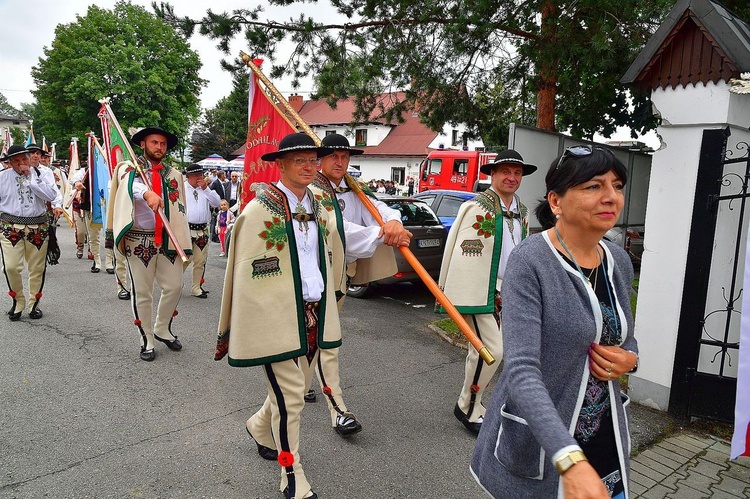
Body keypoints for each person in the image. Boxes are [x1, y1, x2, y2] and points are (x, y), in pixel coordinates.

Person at [471, 145, 639, 498]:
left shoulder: (618, 261)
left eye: (617, 185)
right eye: (594, 186)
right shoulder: (531, 261)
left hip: (602, 436)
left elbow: (622, 335)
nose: (611, 197)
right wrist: (568, 457)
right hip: (545, 441)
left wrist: (631, 359)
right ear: (556, 202)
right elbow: (521, 370)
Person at [215, 133, 340, 499]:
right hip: (276, 316)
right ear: (280, 164)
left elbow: (348, 239)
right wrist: (260, 315)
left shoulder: (319, 206)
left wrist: (388, 229)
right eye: (298, 159)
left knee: (293, 390)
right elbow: (246, 273)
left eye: (312, 160)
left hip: (313, 314)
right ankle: (292, 473)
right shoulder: (258, 212)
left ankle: (258, 426)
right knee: (292, 398)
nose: (308, 166)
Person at [308, 132, 412, 436]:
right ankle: (338, 408)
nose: (340, 162)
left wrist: (393, 223)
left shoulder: (355, 188)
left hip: (340, 275)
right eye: (333, 156)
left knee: (314, 336)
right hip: (315, 274)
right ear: (320, 160)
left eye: (344, 156)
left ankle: (299, 385)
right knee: (327, 339)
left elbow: (379, 210)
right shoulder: (313, 192)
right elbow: (339, 229)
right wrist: (381, 235)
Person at [438, 149, 536, 435]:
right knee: (491, 350)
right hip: (481, 290)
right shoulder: (477, 207)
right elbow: (462, 251)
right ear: (492, 174)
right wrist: (462, 291)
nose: (512, 177)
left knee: (481, 351)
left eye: (517, 173)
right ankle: (467, 406)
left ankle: (473, 404)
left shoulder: (522, 210)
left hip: (510, 291)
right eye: (505, 171)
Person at [105, 126, 192, 361]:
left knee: (174, 286)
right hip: (138, 238)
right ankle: (146, 338)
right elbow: (127, 186)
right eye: (154, 143)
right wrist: (147, 193)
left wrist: (183, 238)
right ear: (143, 144)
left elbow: (179, 208)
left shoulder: (174, 174)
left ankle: (162, 328)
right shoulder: (128, 168)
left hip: (166, 237)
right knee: (142, 292)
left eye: (163, 144)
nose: (159, 147)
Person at [0, 145, 61, 320]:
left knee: (37, 268)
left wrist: (32, 179)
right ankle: (18, 300)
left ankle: (34, 303)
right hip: (10, 227)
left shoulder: (41, 175)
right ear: (10, 163)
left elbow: (51, 195)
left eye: (24, 159)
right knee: (11, 267)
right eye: (16, 161)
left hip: (38, 227)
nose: (21, 164)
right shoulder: (2, 178)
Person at [183, 163, 221, 298]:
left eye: (201, 175)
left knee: (200, 261)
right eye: (196, 175)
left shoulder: (206, 190)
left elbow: (217, 203)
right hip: (185, 229)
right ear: (188, 177)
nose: (200, 178)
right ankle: (173, 285)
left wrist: (206, 189)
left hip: (202, 230)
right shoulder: (182, 189)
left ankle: (196, 288)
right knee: (183, 260)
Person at [70, 162, 103, 272]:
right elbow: (74, 180)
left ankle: (109, 262)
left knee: (108, 235)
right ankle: (95, 258)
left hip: (105, 206)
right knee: (84, 232)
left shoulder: (106, 169)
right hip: (86, 206)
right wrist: (77, 184)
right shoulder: (84, 171)